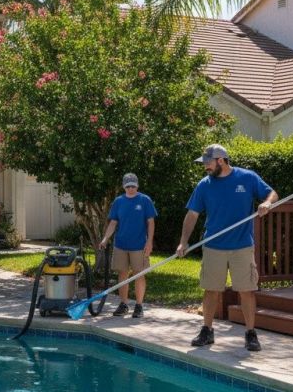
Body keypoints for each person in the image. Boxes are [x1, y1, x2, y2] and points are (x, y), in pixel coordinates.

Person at [176, 144, 277, 351]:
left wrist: (266, 203)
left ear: (220, 160)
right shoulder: (204, 185)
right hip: (213, 245)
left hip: (242, 246)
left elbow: (271, 193)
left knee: (247, 291)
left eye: (207, 163)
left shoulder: (247, 178)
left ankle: (250, 333)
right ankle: (207, 330)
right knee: (211, 290)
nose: (205, 167)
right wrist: (183, 241)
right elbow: (192, 214)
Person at [99, 173, 157, 318]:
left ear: (137, 186)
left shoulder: (145, 200)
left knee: (139, 275)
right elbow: (113, 222)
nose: (131, 189)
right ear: (124, 187)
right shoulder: (118, 201)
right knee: (122, 274)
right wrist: (106, 238)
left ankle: (138, 306)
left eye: (133, 186)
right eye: (128, 186)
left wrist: (149, 242)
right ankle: (123, 304)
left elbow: (151, 222)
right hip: (121, 245)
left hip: (139, 246)